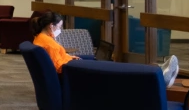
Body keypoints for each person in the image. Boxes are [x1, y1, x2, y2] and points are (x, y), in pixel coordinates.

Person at [31, 11, 178, 86]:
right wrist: (74, 61)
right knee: (118, 71)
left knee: (113, 66)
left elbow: (59, 62)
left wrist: (72, 58)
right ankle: (159, 76)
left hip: (75, 66)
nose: (60, 30)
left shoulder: (41, 39)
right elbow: (60, 68)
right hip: (75, 71)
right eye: (60, 27)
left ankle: (158, 72)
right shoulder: (48, 43)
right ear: (51, 26)